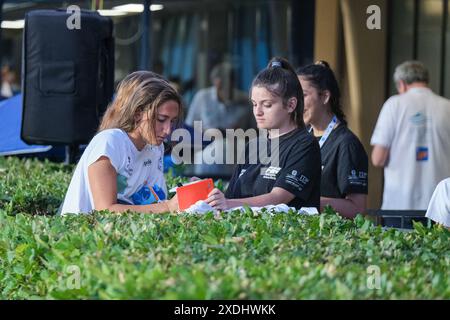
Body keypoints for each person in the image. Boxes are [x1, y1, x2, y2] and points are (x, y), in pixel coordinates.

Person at [205, 57, 321, 211]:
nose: (257, 112)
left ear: (291, 105)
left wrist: (228, 204)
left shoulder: (305, 145)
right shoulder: (253, 145)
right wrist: (206, 193)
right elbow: (230, 198)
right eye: (254, 104)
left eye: (267, 105)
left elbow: (278, 198)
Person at [60, 71, 183, 215]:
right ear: (138, 114)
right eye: (161, 119)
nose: (168, 130)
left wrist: (187, 194)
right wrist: (167, 207)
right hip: (81, 234)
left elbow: (153, 203)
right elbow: (105, 210)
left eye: (172, 121)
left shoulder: (155, 148)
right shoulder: (109, 142)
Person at [371, 60, 450, 210]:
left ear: (401, 84)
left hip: (400, 204)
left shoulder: (394, 104)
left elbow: (378, 158)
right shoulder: (447, 107)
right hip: (440, 206)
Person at [296, 61, 368, 219]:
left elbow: (357, 209)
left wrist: (306, 202)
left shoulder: (347, 144)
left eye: (303, 95)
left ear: (325, 96)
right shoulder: (301, 140)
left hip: (332, 239)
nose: (296, 103)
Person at [185, 61, 252, 131]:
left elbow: (253, 128)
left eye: (231, 80)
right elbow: (190, 125)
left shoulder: (244, 100)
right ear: (216, 82)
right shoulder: (202, 97)